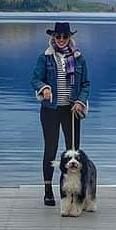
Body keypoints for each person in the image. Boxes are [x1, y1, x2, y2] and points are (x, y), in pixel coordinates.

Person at [31, 20, 90, 206]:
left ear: (70, 37)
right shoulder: (45, 57)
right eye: (58, 36)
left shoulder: (79, 58)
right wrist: (44, 88)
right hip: (50, 110)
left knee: (73, 152)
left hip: (71, 110)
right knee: (50, 150)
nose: (62, 39)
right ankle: (48, 191)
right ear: (53, 37)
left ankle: (72, 191)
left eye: (65, 36)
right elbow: (35, 79)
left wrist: (80, 101)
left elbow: (85, 84)